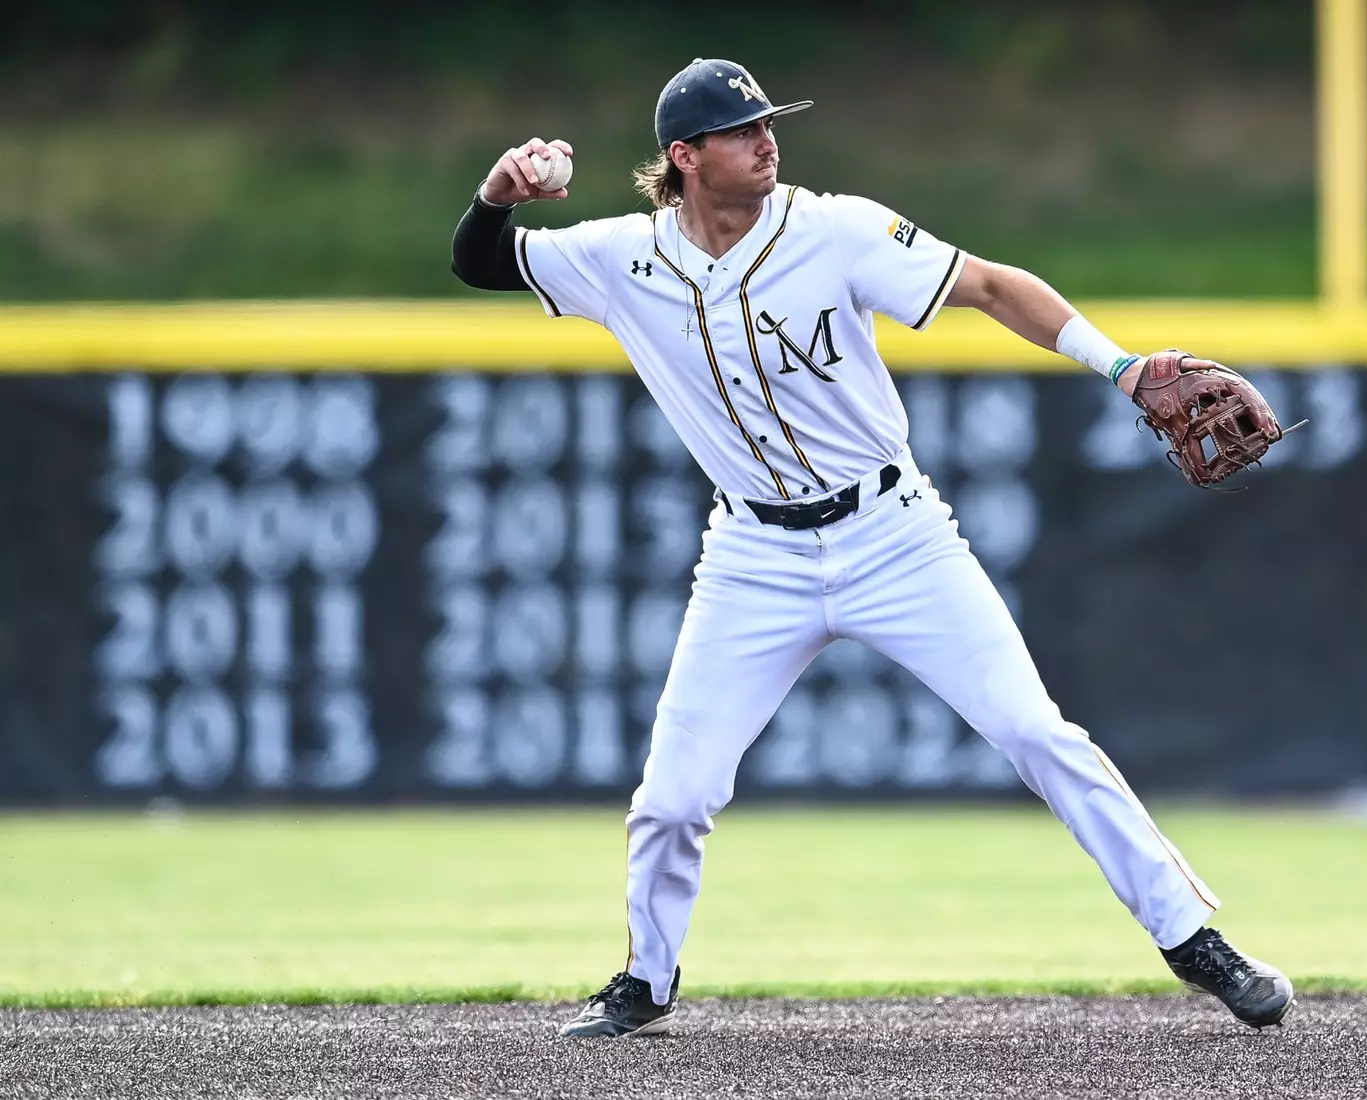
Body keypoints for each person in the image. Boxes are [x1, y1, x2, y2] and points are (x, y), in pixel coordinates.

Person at [451, 57, 1294, 1038]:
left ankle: (1194, 940)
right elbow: (482, 261)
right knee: (672, 796)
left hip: (893, 533)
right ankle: (644, 978)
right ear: (684, 157)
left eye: (767, 121)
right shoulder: (620, 257)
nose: (766, 138)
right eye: (739, 129)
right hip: (752, 554)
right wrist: (496, 193)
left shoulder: (836, 229)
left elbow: (985, 284)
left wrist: (1117, 363)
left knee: (1034, 731)